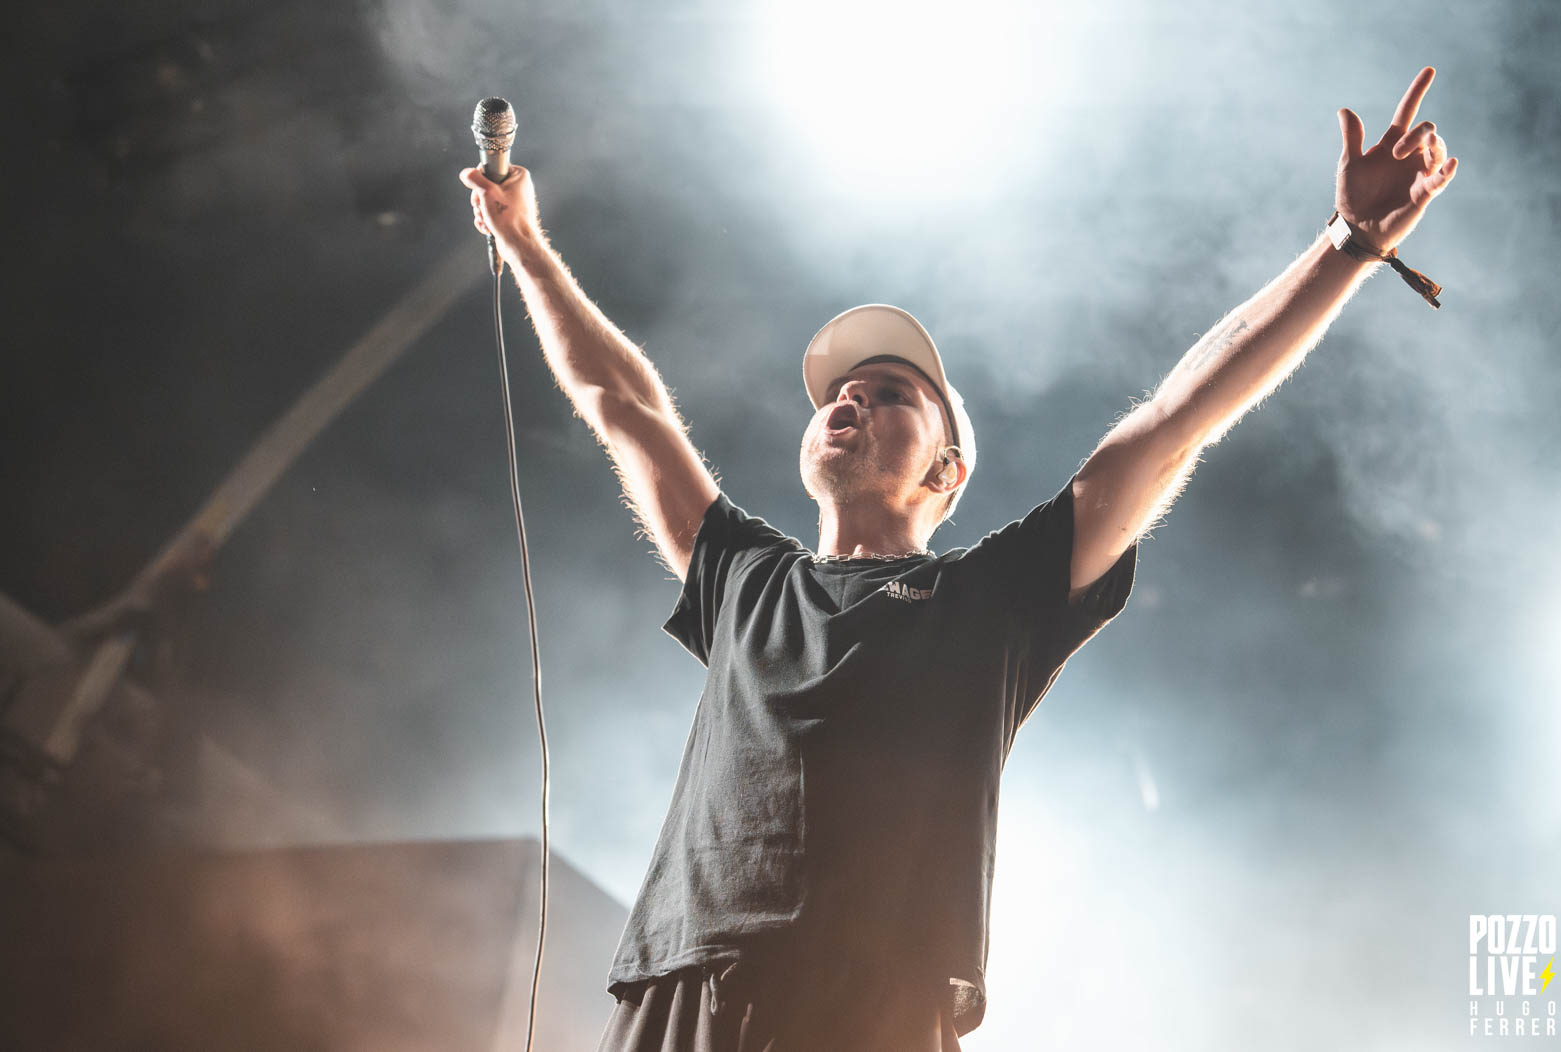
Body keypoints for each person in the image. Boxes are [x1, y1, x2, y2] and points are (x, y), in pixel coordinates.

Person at [460, 66, 1458, 1051]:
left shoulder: (994, 592)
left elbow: (1175, 419)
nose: (848, 399)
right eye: (838, 394)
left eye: (890, 393)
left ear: (947, 469)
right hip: (684, 988)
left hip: (878, 1006)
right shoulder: (744, 578)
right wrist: (528, 247)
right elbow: (624, 404)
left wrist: (1347, 245)